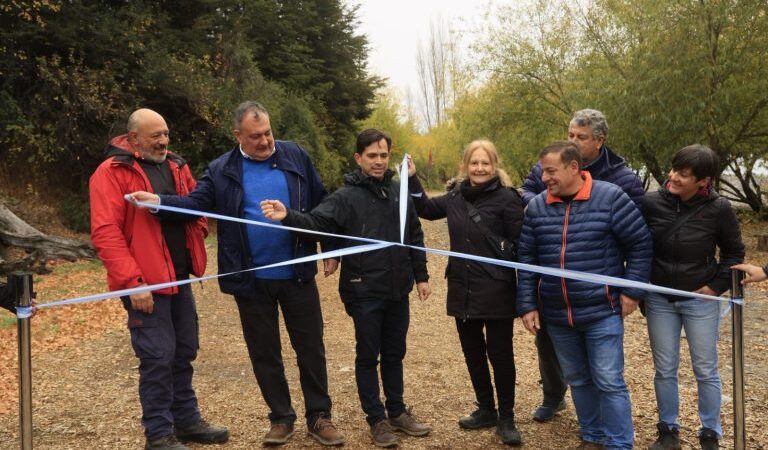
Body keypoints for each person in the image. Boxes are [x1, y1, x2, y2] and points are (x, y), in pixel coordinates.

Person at [128, 101, 344, 447]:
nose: (265, 141)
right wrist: (158, 201)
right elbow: (195, 204)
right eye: (256, 136)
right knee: (264, 352)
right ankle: (280, 418)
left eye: (268, 133)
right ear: (238, 135)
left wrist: (330, 248)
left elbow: (322, 205)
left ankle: (319, 416)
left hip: (297, 274)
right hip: (250, 280)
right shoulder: (221, 169)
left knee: (311, 349)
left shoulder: (296, 156)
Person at [261, 128, 432, 448]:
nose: (379, 161)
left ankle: (397, 411)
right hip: (363, 290)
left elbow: (414, 234)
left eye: (383, 155)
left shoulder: (399, 191)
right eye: (372, 156)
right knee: (369, 355)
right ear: (359, 158)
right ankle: (377, 419)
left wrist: (420, 276)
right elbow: (317, 223)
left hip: (399, 289)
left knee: (395, 352)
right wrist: (288, 216)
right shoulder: (345, 196)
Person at [90, 108, 228, 450]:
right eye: (156, 135)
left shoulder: (178, 166)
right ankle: (159, 433)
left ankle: (186, 420)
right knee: (157, 356)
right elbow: (106, 233)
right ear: (134, 138)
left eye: (166, 133)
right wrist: (132, 281)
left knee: (184, 350)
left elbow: (195, 204)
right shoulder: (111, 173)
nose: (164, 141)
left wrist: (196, 230)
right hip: (144, 283)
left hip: (179, 278)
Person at [516, 141, 652, 450]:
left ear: (573, 167)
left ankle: (620, 443)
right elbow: (526, 260)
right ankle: (593, 437)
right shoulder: (537, 206)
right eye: (542, 171)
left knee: (608, 381)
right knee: (577, 379)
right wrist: (527, 305)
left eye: (550, 171)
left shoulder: (610, 198)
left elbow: (640, 245)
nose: (544, 177)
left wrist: (632, 291)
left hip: (601, 311)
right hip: (557, 314)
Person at [405, 140, 524, 445]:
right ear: (465, 166)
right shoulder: (456, 196)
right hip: (462, 287)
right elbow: (427, 209)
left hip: (497, 289)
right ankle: (486, 409)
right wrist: (413, 177)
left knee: (501, 355)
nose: (480, 168)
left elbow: (521, 245)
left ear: (494, 165)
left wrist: (527, 293)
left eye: (485, 163)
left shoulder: (508, 200)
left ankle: (506, 417)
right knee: (473, 353)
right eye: (474, 163)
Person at [642, 145, 745, 450]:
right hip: (660, 297)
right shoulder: (651, 202)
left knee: (705, 367)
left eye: (683, 174)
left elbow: (734, 253)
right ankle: (668, 430)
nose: (672, 177)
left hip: (701, 299)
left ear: (704, 181)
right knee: (665, 367)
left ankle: (710, 431)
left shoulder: (719, 208)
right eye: (673, 169)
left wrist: (715, 286)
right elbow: (634, 244)